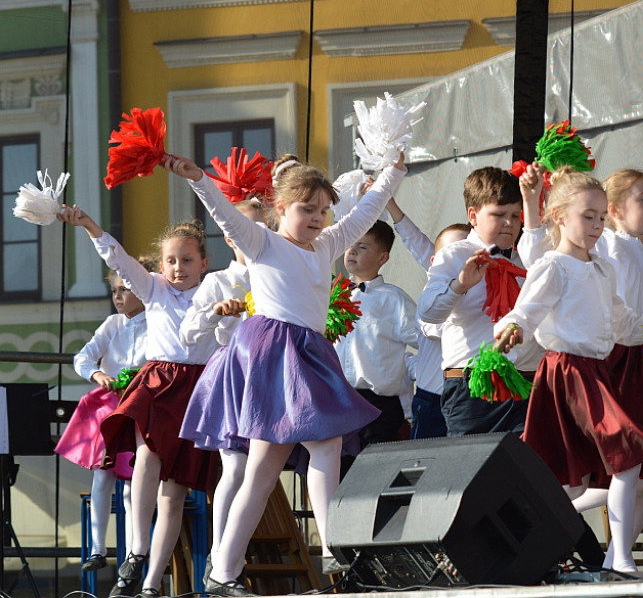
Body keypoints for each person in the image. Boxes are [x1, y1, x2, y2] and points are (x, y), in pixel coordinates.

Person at [167, 151, 405, 596]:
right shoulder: (261, 241)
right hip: (274, 351)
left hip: (308, 351)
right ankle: (329, 548)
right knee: (308, 450)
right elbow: (222, 211)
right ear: (280, 208)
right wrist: (199, 178)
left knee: (281, 463)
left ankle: (224, 571)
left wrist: (393, 172)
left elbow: (366, 211)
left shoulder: (328, 243)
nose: (317, 218)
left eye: (322, 210)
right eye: (306, 209)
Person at [517, 166, 643, 560]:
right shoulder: (599, 248)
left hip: (622, 363)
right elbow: (534, 272)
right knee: (609, 468)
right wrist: (531, 202)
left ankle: (615, 559)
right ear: (616, 211)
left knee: (637, 473)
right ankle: (581, 543)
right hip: (592, 366)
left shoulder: (631, 262)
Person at [493, 168, 643, 573]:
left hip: (597, 373)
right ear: (559, 216)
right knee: (624, 462)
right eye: (586, 216)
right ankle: (621, 563)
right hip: (567, 374)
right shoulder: (553, 266)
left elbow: (623, 323)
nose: (596, 225)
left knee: (584, 480)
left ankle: (604, 558)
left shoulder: (603, 269)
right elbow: (526, 310)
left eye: (600, 217)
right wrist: (512, 329)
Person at [58, 208, 219, 598]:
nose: (178, 268)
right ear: (161, 265)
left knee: (175, 493)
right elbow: (118, 259)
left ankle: (148, 583)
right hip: (161, 381)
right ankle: (136, 550)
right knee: (147, 457)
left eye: (186, 260)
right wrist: (90, 225)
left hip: (198, 388)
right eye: (170, 261)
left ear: (204, 263)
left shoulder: (215, 290)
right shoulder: (153, 289)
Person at [178, 197, 270, 584]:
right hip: (234, 375)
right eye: (244, 228)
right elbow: (186, 335)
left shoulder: (274, 274)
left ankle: (231, 556)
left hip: (269, 376)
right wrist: (215, 311)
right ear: (231, 237)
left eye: (261, 228)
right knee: (234, 465)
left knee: (261, 471)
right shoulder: (217, 281)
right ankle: (219, 558)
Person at [417, 167, 543, 436]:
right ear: (473, 216)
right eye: (499, 215)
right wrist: (459, 284)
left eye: (514, 215)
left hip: (526, 384)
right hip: (472, 387)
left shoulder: (526, 259)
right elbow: (428, 313)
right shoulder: (455, 255)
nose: (509, 223)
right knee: (474, 475)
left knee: (526, 474)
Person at [55, 265, 152, 572]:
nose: (119, 296)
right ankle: (98, 549)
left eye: (126, 289)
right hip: (112, 406)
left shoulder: (158, 321)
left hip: (140, 406)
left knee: (131, 484)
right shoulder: (112, 324)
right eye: (115, 290)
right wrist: (98, 373)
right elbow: (83, 356)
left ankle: (132, 555)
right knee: (102, 475)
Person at [387, 195, 472, 439]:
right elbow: (416, 241)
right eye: (450, 254)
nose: (457, 261)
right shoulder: (434, 288)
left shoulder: (485, 286)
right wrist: (388, 201)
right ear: (435, 261)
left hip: (469, 397)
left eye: (464, 254)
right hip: (431, 399)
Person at [336, 220, 418, 455]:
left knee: (376, 467)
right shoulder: (333, 296)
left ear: (382, 258)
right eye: (350, 244)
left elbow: (423, 341)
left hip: (378, 403)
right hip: (339, 399)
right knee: (340, 470)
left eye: (362, 247)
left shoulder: (394, 300)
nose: (352, 250)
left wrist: (409, 370)